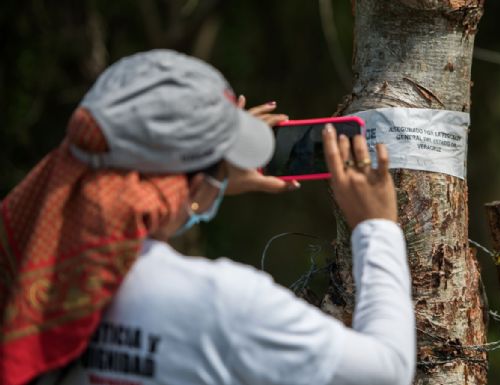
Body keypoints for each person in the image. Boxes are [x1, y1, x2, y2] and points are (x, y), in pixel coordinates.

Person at [1, 49, 415, 385]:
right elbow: (388, 370)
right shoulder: (222, 303)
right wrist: (375, 226)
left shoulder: (27, 268)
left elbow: (116, 223)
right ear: (193, 185)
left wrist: (207, 182)